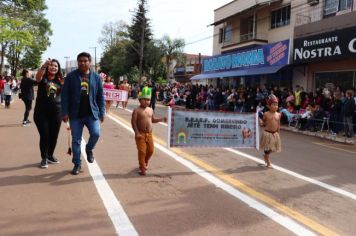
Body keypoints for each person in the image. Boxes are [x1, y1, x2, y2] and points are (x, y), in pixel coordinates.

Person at [61, 52, 105, 175]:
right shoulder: (70, 77)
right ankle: (77, 164)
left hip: (92, 113)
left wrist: (102, 112)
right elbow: (65, 96)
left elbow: (100, 96)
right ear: (77, 62)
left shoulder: (96, 77)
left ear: (90, 63)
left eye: (85, 61)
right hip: (75, 115)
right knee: (76, 140)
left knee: (96, 134)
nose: (83, 63)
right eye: (80, 61)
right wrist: (64, 112)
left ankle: (89, 149)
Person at [34, 59, 63, 168]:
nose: (53, 67)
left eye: (56, 66)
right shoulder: (42, 79)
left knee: (54, 136)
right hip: (41, 113)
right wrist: (43, 66)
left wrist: (66, 112)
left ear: (58, 68)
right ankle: (44, 158)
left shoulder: (61, 80)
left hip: (57, 113)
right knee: (45, 135)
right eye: (51, 65)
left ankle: (50, 155)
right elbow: (38, 77)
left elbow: (65, 96)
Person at [131, 86, 166, 176]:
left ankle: (144, 162)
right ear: (140, 100)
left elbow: (153, 120)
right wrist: (137, 133)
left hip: (149, 134)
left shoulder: (150, 109)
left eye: (148, 100)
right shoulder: (136, 110)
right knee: (142, 151)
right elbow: (133, 122)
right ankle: (142, 167)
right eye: (144, 99)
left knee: (150, 151)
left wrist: (161, 119)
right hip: (140, 134)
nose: (147, 101)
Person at [259, 94, 282, 168]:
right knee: (268, 148)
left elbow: (278, 124)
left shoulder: (278, 114)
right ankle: (268, 161)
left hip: (275, 134)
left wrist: (278, 133)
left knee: (273, 148)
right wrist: (261, 122)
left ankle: (265, 155)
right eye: (273, 105)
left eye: (277, 105)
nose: (276, 106)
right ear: (268, 106)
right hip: (267, 134)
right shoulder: (266, 114)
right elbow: (263, 123)